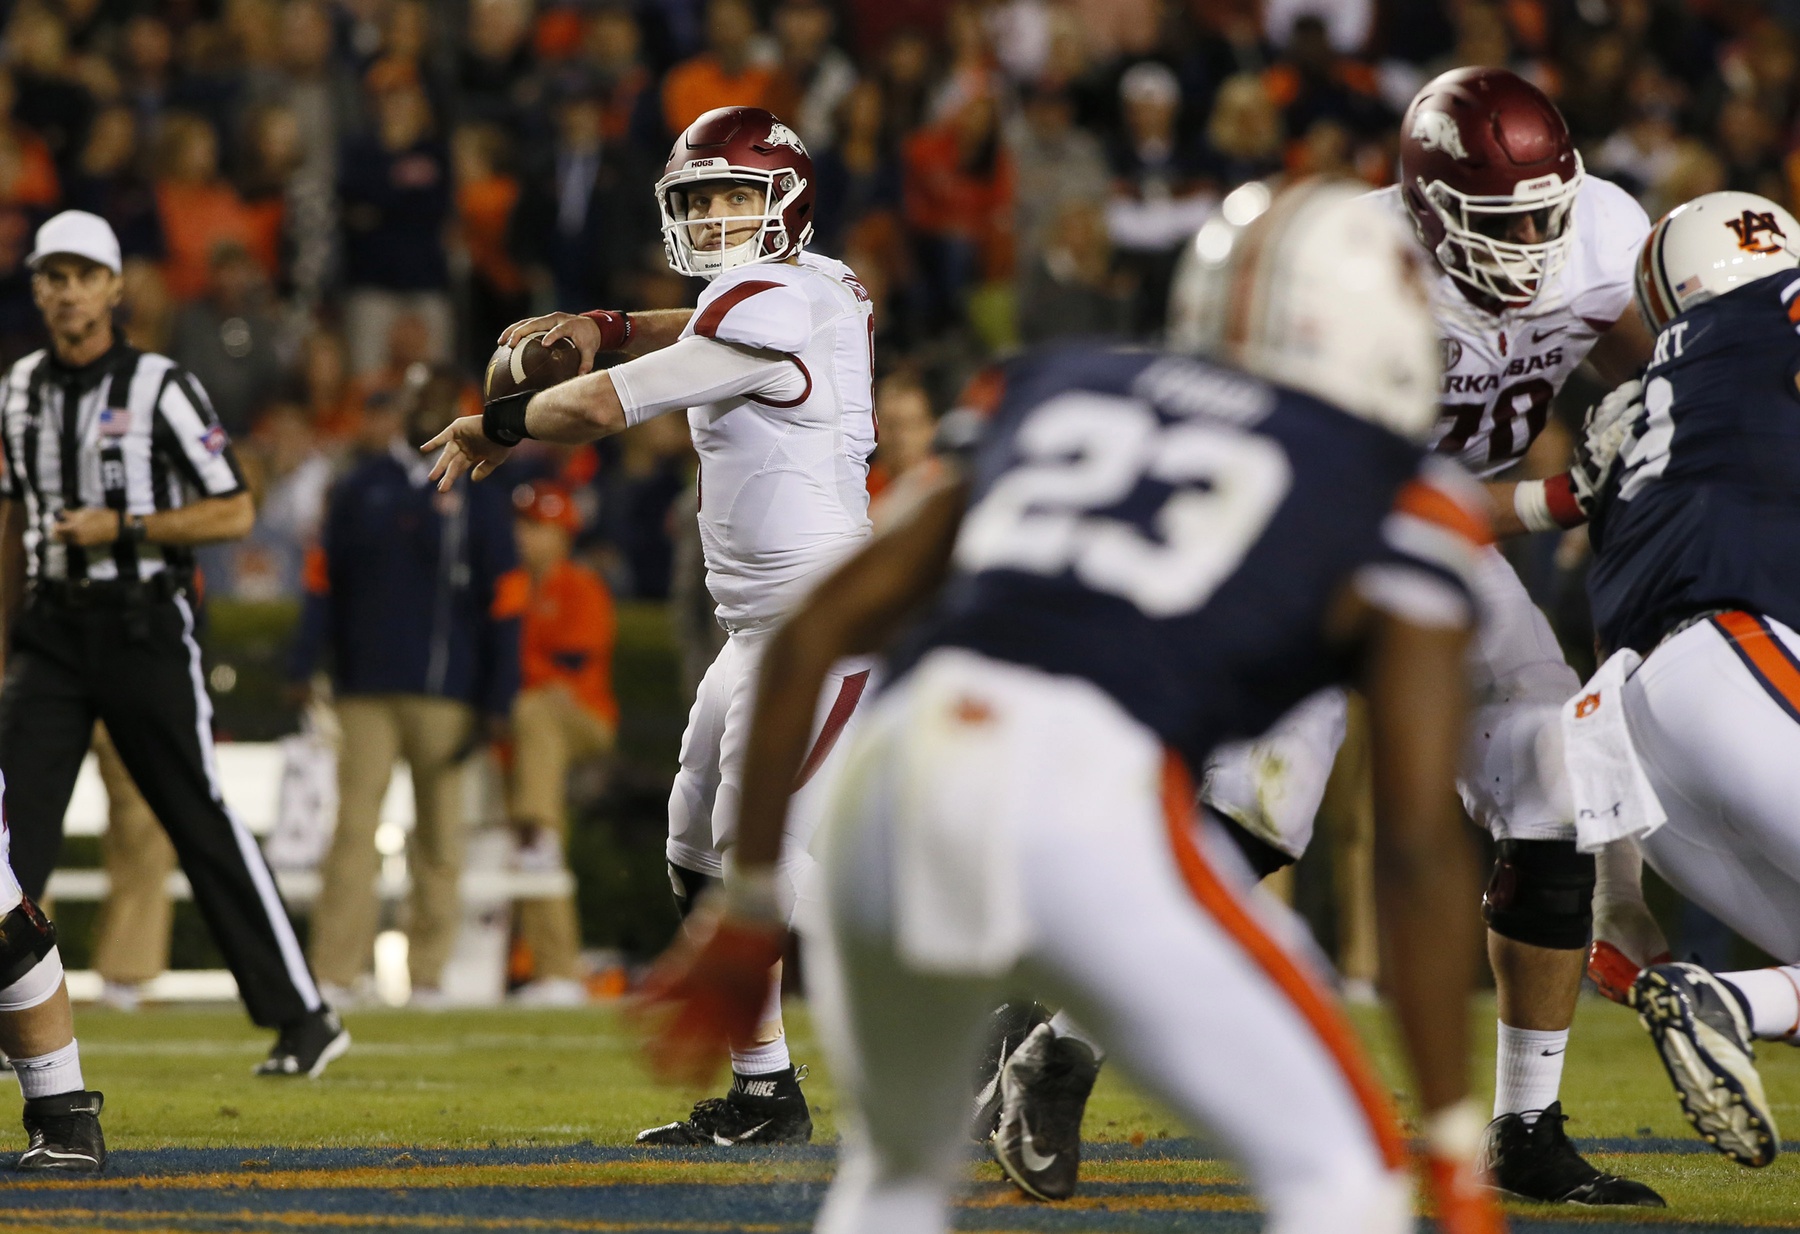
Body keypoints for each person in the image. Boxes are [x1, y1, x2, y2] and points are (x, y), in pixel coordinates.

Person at [632, 178, 1503, 1234]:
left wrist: (752, 907)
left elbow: (817, 630)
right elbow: (1416, 839)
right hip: (1086, 797)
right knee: (1346, 1179)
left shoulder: (1059, 386)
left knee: (895, 1179)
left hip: (897, 772)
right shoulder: (1397, 494)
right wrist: (1456, 1141)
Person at [1099, 66, 1666, 1208]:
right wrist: (1558, 502)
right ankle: (1058, 1039)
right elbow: (1355, 492)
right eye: (1502, 223)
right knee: (1263, 806)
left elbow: (1630, 359)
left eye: (1547, 215)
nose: (1535, 244)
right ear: (1424, 206)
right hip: (1312, 536)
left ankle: (1527, 1127)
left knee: (1560, 769)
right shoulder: (1349, 276)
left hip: (1454, 546)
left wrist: (1648, 423)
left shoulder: (1601, 232)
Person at [426, 105, 877, 1145]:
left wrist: (493, 423)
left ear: (786, 199)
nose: (716, 218)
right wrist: (616, 324)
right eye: (701, 199)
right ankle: (766, 1090)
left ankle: (971, 1026)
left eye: (734, 195)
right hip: (758, 628)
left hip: (820, 624)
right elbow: (715, 323)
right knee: (694, 843)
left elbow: (596, 412)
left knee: (761, 858)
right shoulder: (817, 283)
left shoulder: (777, 300)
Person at [0, 210, 345, 1078]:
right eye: (52, 275)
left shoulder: (161, 384)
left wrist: (128, 524)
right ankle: (13, 1022)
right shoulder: (18, 389)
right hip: (49, 631)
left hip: (143, 625)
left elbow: (234, 505)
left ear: (116, 288)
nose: (66, 291)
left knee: (197, 814)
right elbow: (12, 522)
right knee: (12, 829)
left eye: (82, 275)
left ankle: (303, 1015)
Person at [1568, 190, 1800, 1169]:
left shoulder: (1634, 419)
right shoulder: (1781, 307)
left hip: (1640, 754)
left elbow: (1599, 672)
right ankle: (1726, 1000)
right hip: (1741, 656)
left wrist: (1615, 895)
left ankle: (1734, 998)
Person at [289, 369, 523, 1008]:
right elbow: (322, 582)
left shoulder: (479, 487)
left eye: (438, 397)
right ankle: (336, 973)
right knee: (353, 831)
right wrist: (303, 661)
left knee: (441, 838)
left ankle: (427, 975)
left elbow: (504, 599)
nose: (427, 407)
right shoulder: (361, 484)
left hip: (448, 688)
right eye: (417, 397)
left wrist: (498, 696)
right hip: (365, 687)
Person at [508, 478, 618, 1006]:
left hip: (584, 717)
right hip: (526, 736)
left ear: (563, 535)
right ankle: (552, 972)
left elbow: (570, 670)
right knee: (531, 849)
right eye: (523, 525)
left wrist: (516, 673)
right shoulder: (506, 586)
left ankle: (539, 829)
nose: (526, 536)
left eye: (539, 527)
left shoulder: (581, 586)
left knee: (535, 711)